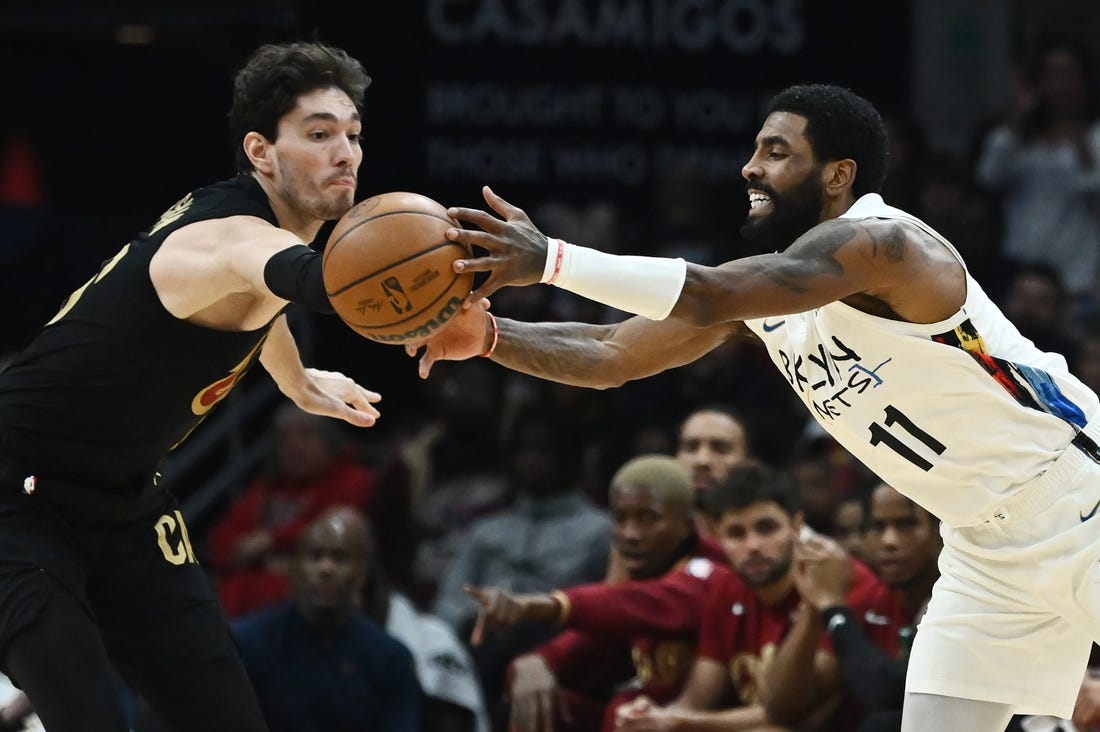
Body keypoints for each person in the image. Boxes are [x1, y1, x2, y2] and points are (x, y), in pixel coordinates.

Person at [412, 83, 1100, 731]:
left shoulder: (890, 245)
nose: (749, 168)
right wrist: (489, 337)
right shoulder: (767, 298)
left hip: (1078, 503)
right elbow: (611, 354)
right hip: (985, 547)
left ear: (838, 174)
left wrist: (553, 260)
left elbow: (711, 292)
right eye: (753, 150)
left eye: (776, 152)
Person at [0, 41, 382, 731]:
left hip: (123, 502)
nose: (346, 153)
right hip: (14, 497)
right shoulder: (228, 237)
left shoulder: (260, 233)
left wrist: (297, 382)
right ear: (262, 152)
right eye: (320, 134)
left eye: (353, 134)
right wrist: (443, 299)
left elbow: (266, 298)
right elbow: (310, 281)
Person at [613, 460, 892, 732]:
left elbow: (792, 714)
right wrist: (652, 718)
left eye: (766, 528)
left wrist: (677, 722)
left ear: (796, 526)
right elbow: (695, 701)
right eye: (737, 533)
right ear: (717, 536)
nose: (754, 546)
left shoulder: (842, 581)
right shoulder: (727, 587)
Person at [465, 454, 730, 731]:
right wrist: (536, 663)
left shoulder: (711, 574)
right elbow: (592, 641)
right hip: (654, 719)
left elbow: (641, 603)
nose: (631, 534)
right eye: (620, 519)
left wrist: (538, 605)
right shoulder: (645, 577)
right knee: (538, 708)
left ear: (687, 526)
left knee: (625, 710)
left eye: (648, 519)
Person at [233, 508, 420, 732]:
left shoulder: (390, 659)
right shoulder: (249, 643)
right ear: (296, 569)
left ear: (360, 574)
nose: (325, 568)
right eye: (315, 556)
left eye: (339, 558)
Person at [773, 482, 941, 731]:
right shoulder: (868, 601)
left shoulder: (965, 602)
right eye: (877, 527)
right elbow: (783, 709)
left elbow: (890, 692)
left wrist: (832, 607)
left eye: (906, 524)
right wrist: (813, 606)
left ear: (941, 532)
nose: (889, 541)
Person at [208, 403, 376, 617]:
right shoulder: (266, 488)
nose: (294, 446)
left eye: (306, 434)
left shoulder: (351, 479)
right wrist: (248, 553)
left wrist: (272, 541)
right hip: (243, 613)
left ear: (329, 441)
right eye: (284, 439)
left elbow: (335, 532)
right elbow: (221, 540)